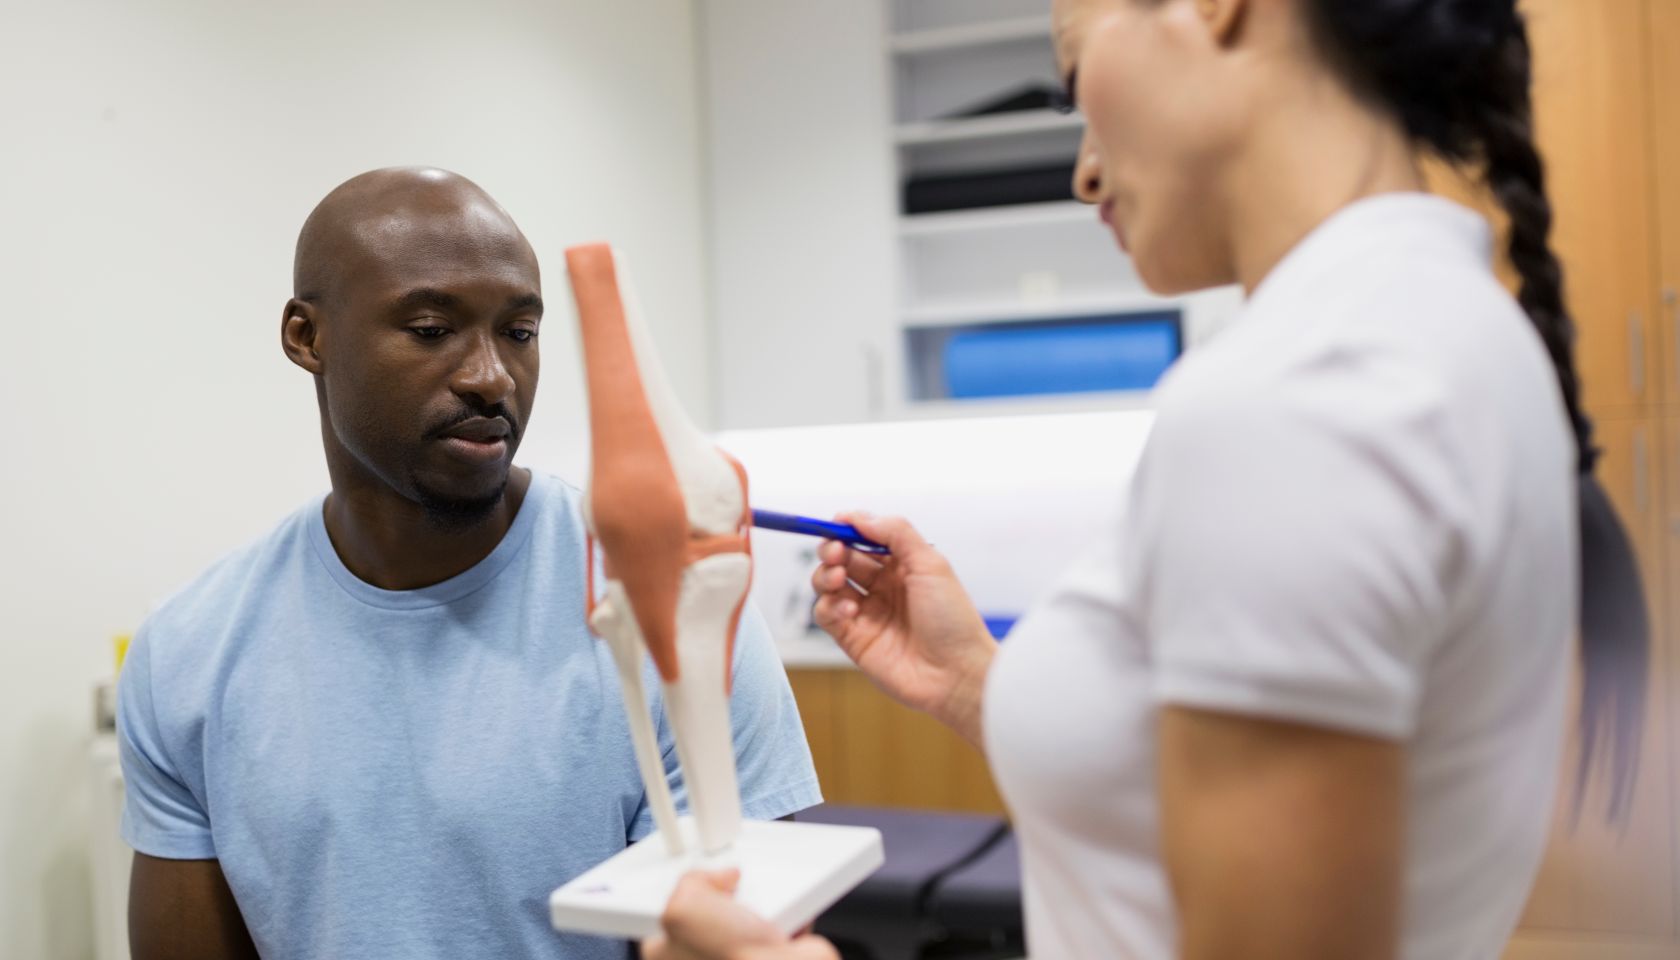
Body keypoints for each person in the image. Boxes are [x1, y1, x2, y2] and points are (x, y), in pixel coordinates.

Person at [645, 0, 1649, 957]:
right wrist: (972, 680)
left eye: (1076, 82)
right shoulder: (1454, 329)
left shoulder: (1297, 396)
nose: (1085, 173)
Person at [117, 167, 822, 960]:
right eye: (430, 329)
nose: (491, 377)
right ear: (306, 338)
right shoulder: (189, 652)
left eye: (519, 332)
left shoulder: (671, 619)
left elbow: (743, 936)